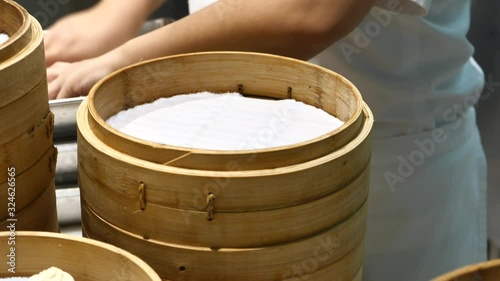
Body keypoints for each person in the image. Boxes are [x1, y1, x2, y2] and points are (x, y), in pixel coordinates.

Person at [46, 0, 488, 280]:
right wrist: (122, 10)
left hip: (394, 177)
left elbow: (310, 12)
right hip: (223, 163)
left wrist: (124, 61)